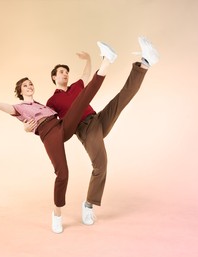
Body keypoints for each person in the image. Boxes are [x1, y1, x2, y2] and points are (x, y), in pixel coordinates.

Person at [0, 41, 117, 233]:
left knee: (81, 100)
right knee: (63, 174)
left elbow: (66, 102)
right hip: (49, 134)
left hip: (61, 125)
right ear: (20, 91)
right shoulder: (19, 108)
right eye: (25, 86)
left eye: (30, 84)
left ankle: (106, 61)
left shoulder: (44, 105)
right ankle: (57, 215)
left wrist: (87, 61)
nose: (29, 86)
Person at [25, 36, 159, 226]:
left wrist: (88, 59)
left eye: (67, 72)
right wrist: (26, 128)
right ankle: (88, 206)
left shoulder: (77, 87)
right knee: (101, 165)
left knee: (122, 98)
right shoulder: (52, 101)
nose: (65, 74)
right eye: (61, 72)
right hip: (84, 129)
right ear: (54, 76)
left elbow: (87, 75)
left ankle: (145, 63)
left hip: (97, 119)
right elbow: (42, 118)